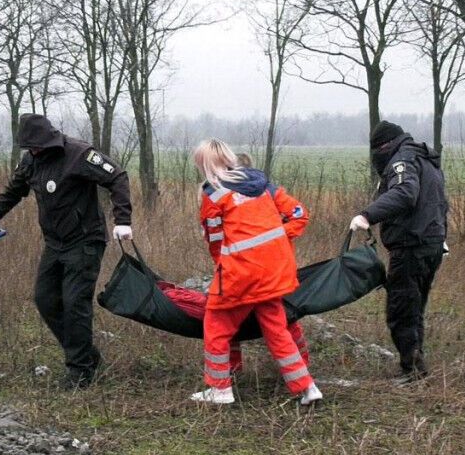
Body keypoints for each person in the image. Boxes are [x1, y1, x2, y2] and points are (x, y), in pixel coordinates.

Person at [0, 114, 133, 389]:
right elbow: (14, 190)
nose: (33, 151)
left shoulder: (79, 154)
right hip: (55, 243)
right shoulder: (31, 161)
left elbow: (117, 176)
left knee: (75, 304)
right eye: (28, 148)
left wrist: (122, 220)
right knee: (45, 299)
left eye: (36, 146)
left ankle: (80, 372)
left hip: (85, 241)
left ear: (48, 140)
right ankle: (86, 355)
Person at [191, 138, 321, 405]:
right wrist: (276, 241)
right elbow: (299, 214)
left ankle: (220, 389)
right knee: (277, 328)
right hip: (275, 272)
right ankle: (307, 387)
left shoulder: (213, 193)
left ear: (204, 165)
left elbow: (215, 242)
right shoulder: (263, 186)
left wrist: (224, 267)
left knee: (215, 324)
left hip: (241, 274)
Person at [349, 121, 448, 382]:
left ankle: (412, 370)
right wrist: (439, 237)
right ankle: (416, 362)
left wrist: (367, 215)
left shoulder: (401, 161)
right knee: (415, 306)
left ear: (383, 147)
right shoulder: (425, 159)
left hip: (412, 245)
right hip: (432, 242)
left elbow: (405, 193)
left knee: (401, 308)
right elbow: (439, 202)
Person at [224, 152, 311, 374]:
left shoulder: (269, 192)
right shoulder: (224, 197)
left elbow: (299, 215)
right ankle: (233, 369)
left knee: (283, 320)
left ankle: (302, 367)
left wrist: (275, 237)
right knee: (231, 319)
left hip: (271, 270)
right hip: (241, 270)